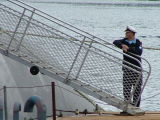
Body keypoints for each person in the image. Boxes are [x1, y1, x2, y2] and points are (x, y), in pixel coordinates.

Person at [113, 25, 143, 107]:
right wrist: (122, 45)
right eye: (126, 32)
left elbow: (138, 52)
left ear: (132, 34)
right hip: (127, 68)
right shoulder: (124, 41)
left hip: (137, 69)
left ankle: (136, 106)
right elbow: (115, 42)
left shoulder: (138, 42)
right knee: (126, 88)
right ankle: (126, 106)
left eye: (127, 32)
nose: (126, 34)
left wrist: (128, 49)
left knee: (137, 89)